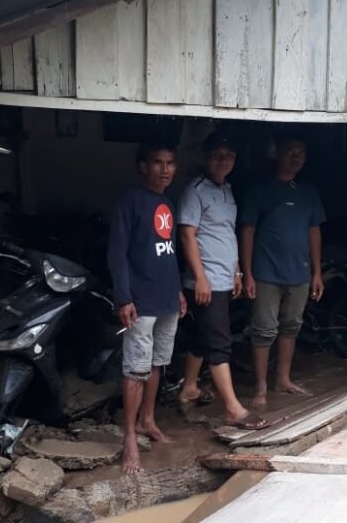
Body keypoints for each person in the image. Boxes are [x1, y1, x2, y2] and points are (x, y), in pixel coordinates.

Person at [177, 133, 268, 430]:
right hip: (206, 282)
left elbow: (227, 234)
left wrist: (238, 271)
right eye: (217, 154)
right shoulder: (195, 190)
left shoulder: (227, 190)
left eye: (228, 155)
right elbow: (187, 235)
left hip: (223, 278)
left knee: (203, 338)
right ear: (204, 157)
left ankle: (190, 387)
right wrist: (200, 279)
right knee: (220, 343)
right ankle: (233, 409)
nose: (223, 160)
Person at [107, 139, 187, 474]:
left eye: (169, 163)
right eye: (157, 162)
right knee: (135, 370)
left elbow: (168, 254)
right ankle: (129, 437)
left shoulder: (166, 202)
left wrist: (179, 291)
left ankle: (148, 421)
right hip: (140, 302)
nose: (165, 169)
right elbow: (117, 253)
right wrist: (124, 297)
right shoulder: (130, 201)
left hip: (167, 298)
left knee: (156, 365)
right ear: (143, 166)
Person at [239, 133, 326, 408]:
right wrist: (247, 271)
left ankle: (283, 379)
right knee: (264, 330)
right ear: (276, 153)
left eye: (301, 151)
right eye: (290, 150)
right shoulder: (261, 190)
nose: (296, 156)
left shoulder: (308, 191)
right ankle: (261, 387)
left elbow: (314, 231)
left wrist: (317, 272)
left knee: (291, 327)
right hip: (266, 273)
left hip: (299, 273)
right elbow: (247, 230)